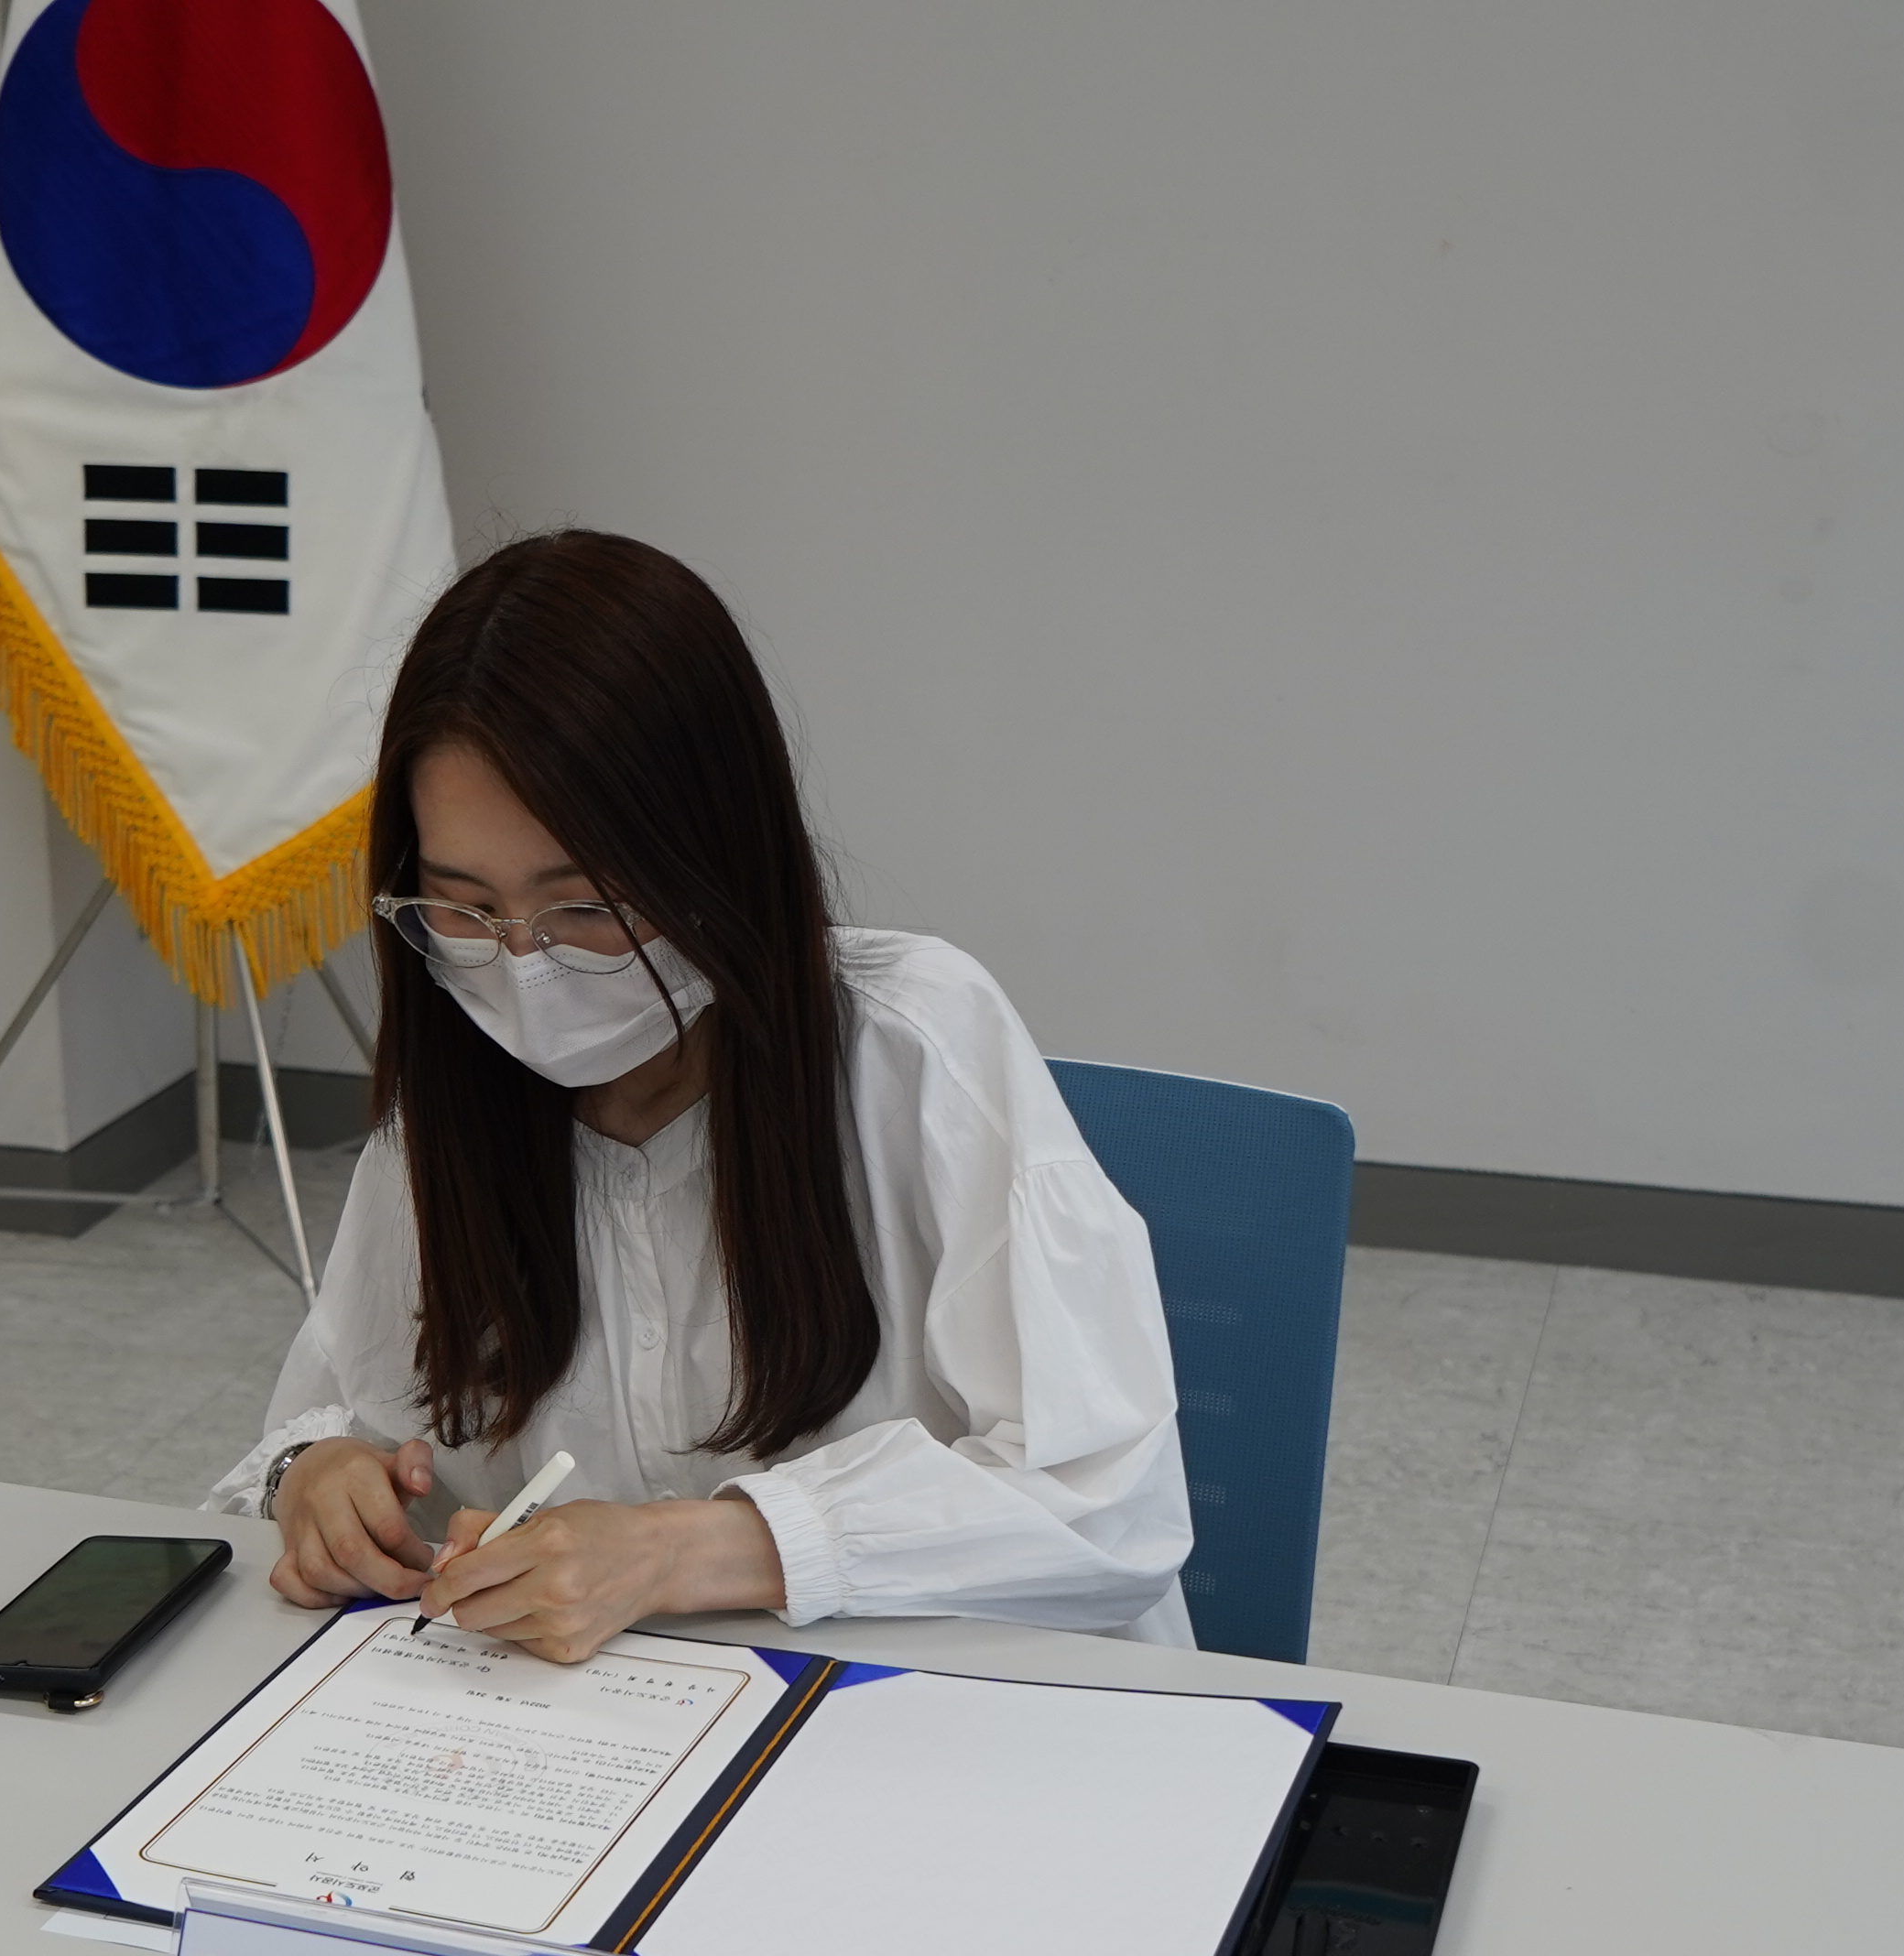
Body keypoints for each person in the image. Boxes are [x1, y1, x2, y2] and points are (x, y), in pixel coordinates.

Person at [204, 530, 1193, 1660]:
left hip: (951, 1708)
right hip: (623, 1722)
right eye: (464, 906)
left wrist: (683, 1551)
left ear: (716, 861)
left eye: (585, 908)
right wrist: (320, 1478)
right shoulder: (457, 1085)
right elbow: (348, 1414)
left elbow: (1106, 1503)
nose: (521, 968)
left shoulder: (917, 1046)